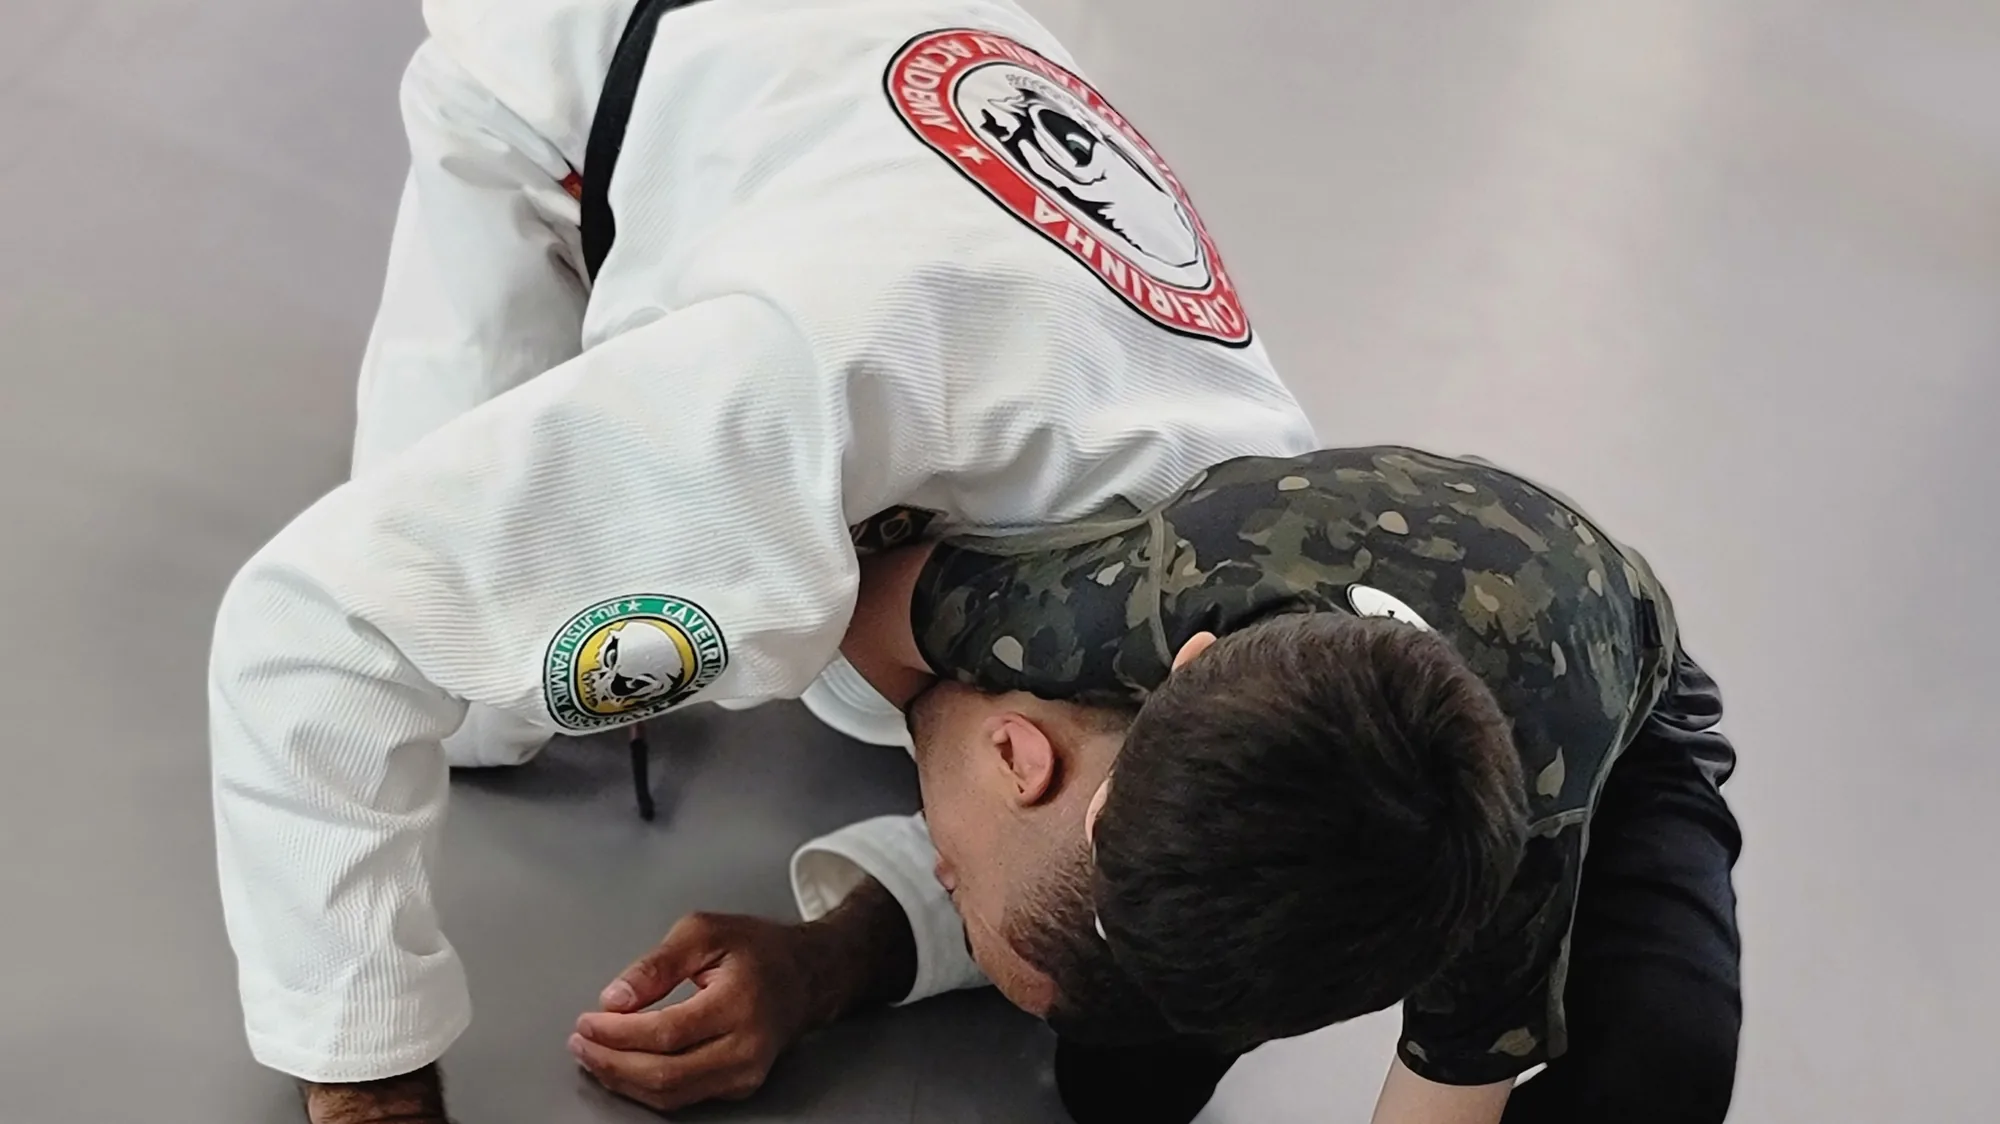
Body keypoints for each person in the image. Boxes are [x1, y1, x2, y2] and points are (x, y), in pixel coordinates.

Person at [206, 1, 1319, 1121]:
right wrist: (373, 1084)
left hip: (879, 72)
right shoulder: (791, 411)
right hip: (570, 76)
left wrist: (827, 960)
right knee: (486, 713)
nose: (943, 878)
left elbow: (1082, 866)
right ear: (1018, 754)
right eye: (952, 888)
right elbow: (309, 633)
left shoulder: (1268, 574)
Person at [699, 444, 1736, 1124]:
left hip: (1621, 718)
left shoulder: (1514, 854)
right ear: (1183, 666)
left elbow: (1447, 1087)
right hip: (1338, 629)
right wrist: (971, 841)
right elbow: (875, 612)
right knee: (1114, 1082)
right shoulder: (1137, 594)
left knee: (1658, 1072)